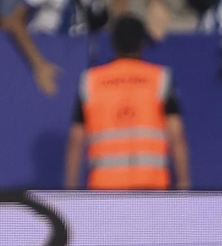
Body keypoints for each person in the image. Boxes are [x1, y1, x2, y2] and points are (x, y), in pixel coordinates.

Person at [65, 16, 190, 191]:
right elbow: (176, 134)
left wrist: (71, 191)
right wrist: (184, 184)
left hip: (105, 189)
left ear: (113, 44)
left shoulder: (91, 81)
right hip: (152, 186)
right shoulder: (160, 78)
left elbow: (76, 140)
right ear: (142, 44)